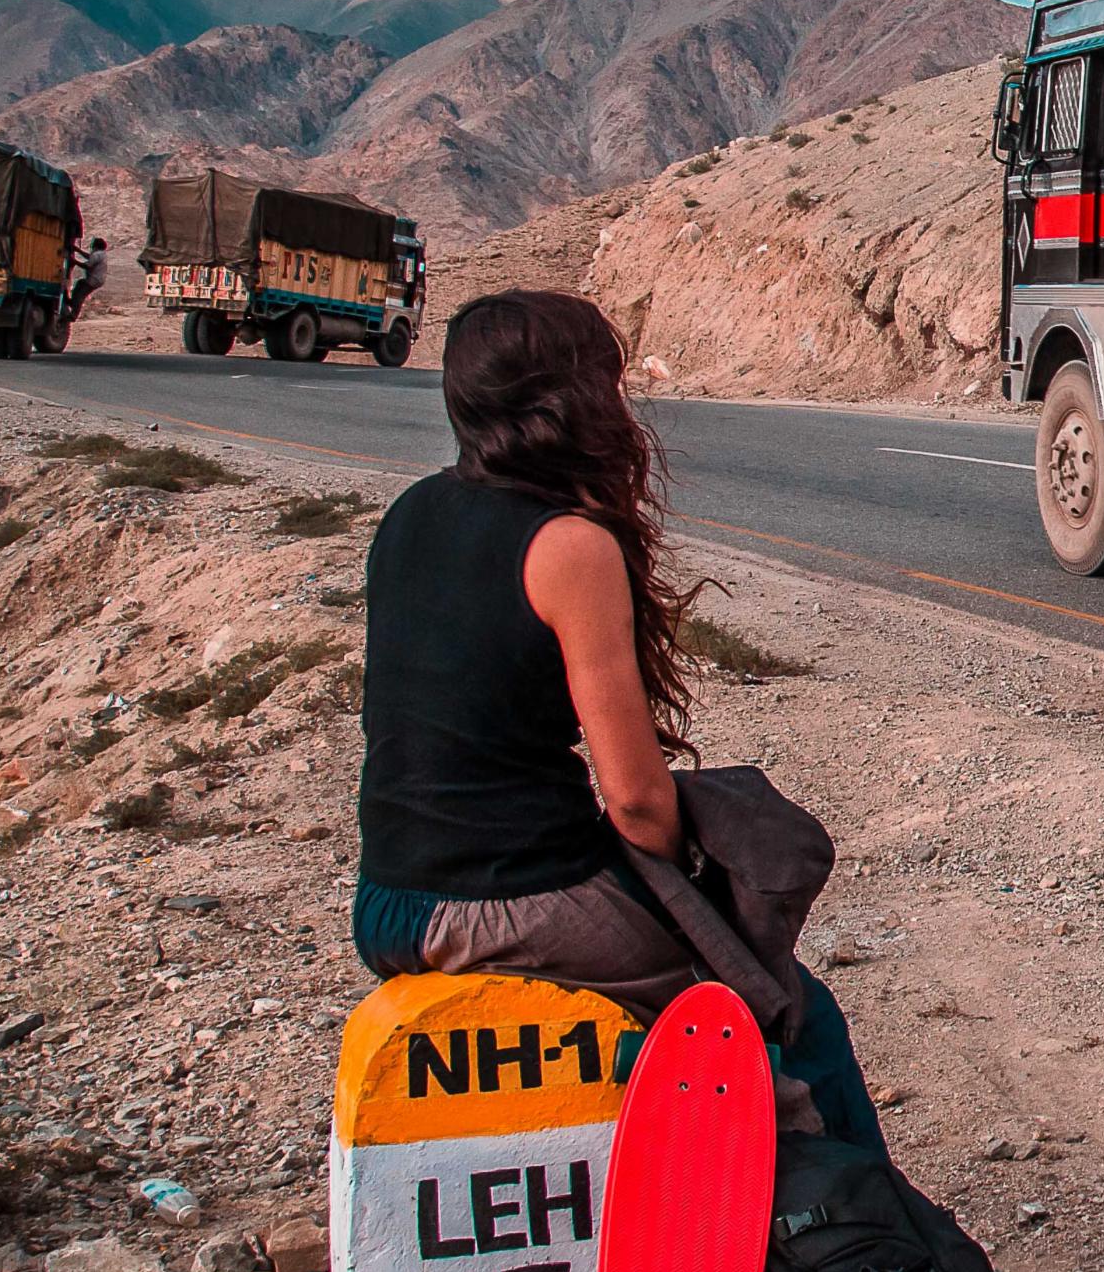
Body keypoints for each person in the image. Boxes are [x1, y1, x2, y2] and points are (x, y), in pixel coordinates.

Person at [349, 288, 881, 1151]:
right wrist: (687, 882)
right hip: (504, 899)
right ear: (573, 401)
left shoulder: (409, 514)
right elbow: (634, 799)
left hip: (387, 900)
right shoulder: (568, 546)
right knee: (778, 1010)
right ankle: (877, 1264)